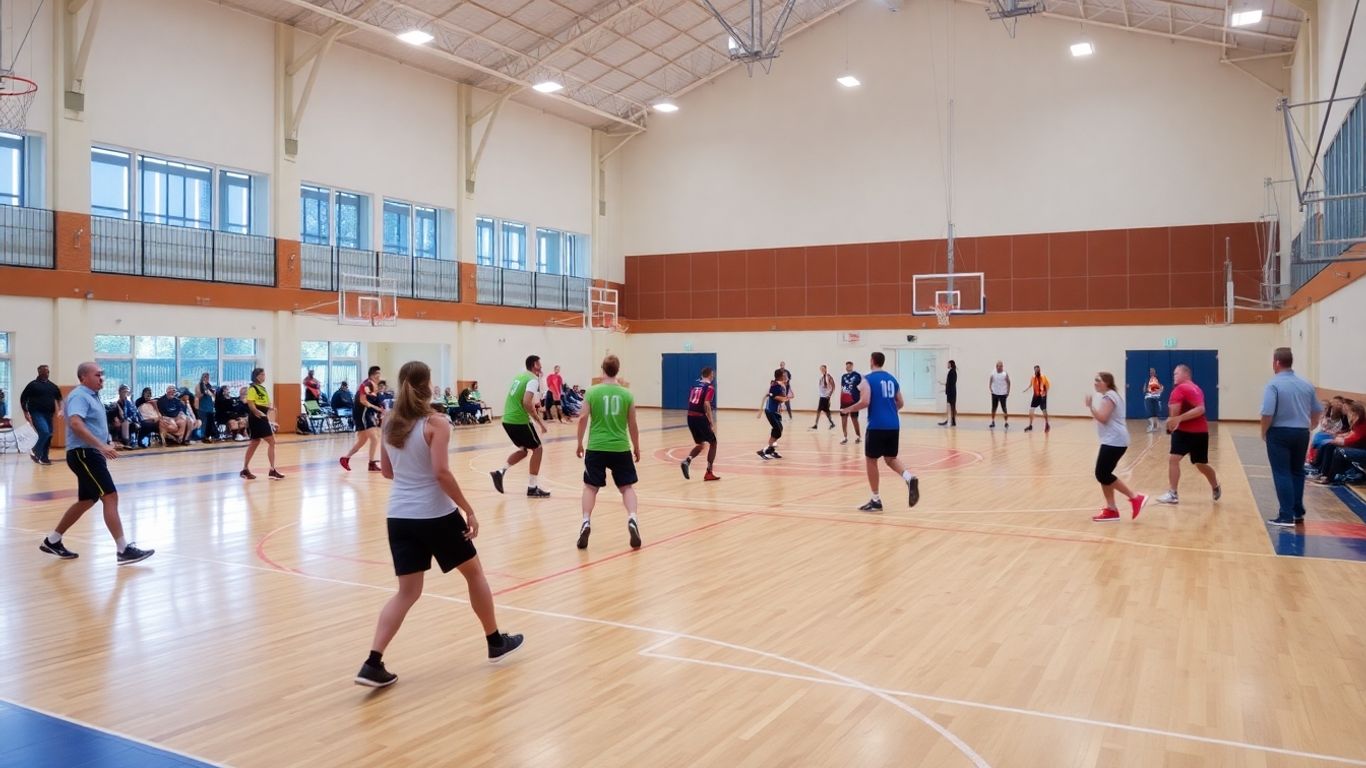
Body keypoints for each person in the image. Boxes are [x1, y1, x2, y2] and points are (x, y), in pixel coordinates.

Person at [354, 360, 523, 688]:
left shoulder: (389, 421)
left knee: (407, 592)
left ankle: (373, 662)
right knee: (474, 574)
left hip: (398, 517)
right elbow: (441, 473)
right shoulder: (437, 422)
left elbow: (388, 472)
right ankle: (494, 642)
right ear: (428, 385)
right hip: (435, 515)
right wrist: (468, 509)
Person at [37, 362, 154, 565]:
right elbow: (75, 423)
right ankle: (123, 550)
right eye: (97, 375)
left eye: (102, 375)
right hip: (85, 454)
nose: (102, 378)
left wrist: (105, 442)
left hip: (90, 453)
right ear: (83, 377)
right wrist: (101, 446)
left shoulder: (91, 396)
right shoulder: (80, 396)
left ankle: (52, 541)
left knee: (87, 500)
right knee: (110, 496)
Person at [574, 355, 642, 550]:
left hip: (596, 447)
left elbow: (582, 418)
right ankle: (632, 518)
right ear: (617, 370)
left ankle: (586, 521)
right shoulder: (627, 394)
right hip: (620, 447)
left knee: (590, 487)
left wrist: (579, 443)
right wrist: (636, 446)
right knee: (627, 487)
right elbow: (632, 424)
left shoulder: (592, 392)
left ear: (602, 369)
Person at [840, 351, 919, 512]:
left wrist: (847, 409)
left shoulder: (867, 379)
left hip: (876, 425)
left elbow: (865, 401)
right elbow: (901, 402)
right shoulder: (892, 379)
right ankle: (909, 478)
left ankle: (876, 499)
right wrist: (889, 411)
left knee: (871, 460)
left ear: (872, 361)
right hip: (893, 425)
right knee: (890, 459)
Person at [1259, 348, 1322, 527]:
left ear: (1276, 362)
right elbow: (1317, 409)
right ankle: (1297, 512)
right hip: (1301, 433)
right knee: (1297, 471)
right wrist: (1310, 426)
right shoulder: (1306, 384)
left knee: (1282, 472)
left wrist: (1264, 431)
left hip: (1279, 433)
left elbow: (1267, 412)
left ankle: (1285, 515)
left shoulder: (1273, 384)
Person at [1156, 364, 1220, 504]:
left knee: (1197, 463)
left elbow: (1200, 409)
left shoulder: (1181, 389)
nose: (1174, 376)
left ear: (1186, 374)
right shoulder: (1197, 388)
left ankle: (1213, 485)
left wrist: (1176, 420)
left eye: (1176, 373)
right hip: (1196, 432)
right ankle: (1175, 493)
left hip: (1190, 432)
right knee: (1182, 461)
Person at [1085, 372, 1146, 522]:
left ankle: (1135, 497)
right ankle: (1111, 509)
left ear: (1107, 382)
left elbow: (1103, 418)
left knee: (1102, 474)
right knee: (1103, 474)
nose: (1095, 383)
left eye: (1098, 380)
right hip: (1113, 440)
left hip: (1115, 441)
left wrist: (1090, 407)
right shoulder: (1111, 395)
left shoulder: (1109, 396)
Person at [491, 356, 550, 497]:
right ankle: (532, 487)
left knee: (524, 451)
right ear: (535, 364)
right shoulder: (532, 379)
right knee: (538, 449)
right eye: (540, 363)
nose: (541, 366)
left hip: (507, 420)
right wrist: (539, 422)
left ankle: (500, 472)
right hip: (518, 420)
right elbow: (526, 402)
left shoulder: (520, 376)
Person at [1308, 401, 1366, 486]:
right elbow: (1350, 435)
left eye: (1349, 412)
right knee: (1329, 445)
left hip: (1362, 451)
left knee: (1339, 451)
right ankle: (1322, 472)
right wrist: (1336, 439)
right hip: (1358, 447)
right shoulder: (1357, 423)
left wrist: (1337, 439)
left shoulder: (1362, 424)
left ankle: (1329, 478)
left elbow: (1352, 439)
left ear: (1355, 413)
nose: (1348, 414)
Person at [241, 368, 284, 481]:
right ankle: (272, 470)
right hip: (257, 418)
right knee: (271, 441)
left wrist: (269, 409)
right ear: (257, 376)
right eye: (262, 374)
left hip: (262, 416)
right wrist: (260, 414)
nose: (264, 376)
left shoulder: (262, 388)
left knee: (255, 442)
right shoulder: (252, 388)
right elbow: (251, 405)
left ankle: (245, 469)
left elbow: (263, 403)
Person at [342, 366, 384, 472]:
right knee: (374, 438)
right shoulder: (367, 384)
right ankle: (371, 464)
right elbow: (363, 401)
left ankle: (345, 458)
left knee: (362, 440)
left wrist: (381, 410)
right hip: (362, 414)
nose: (380, 375)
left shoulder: (375, 387)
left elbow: (377, 402)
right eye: (378, 373)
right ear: (373, 375)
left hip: (367, 414)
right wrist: (376, 408)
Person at [682, 366, 720, 481]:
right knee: (713, 443)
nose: (713, 376)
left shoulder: (695, 385)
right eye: (713, 374)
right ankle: (709, 472)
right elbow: (706, 404)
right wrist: (710, 421)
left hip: (690, 416)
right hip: (700, 417)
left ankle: (687, 461)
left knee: (700, 444)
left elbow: (691, 400)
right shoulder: (709, 387)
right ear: (709, 375)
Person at [20, 364, 63, 465]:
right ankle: (35, 451)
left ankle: (44, 458)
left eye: (47, 372)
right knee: (44, 432)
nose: (46, 373)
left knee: (49, 435)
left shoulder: (52, 386)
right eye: (43, 372)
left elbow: (59, 398)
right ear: (39, 372)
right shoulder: (32, 385)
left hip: (49, 414)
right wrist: (25, 412)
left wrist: (61, 409)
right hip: (36, 413)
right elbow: (23, 399)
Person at [757, 370, 790, 460]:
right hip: (770, 411)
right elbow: (773, 396)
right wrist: (783, 399)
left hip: (776, 412)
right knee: (778, 430)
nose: (786, 376)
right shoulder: (775, 385)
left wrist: (783, 401)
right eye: (785, 375)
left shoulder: (782, 385)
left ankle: (771, 450)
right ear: (781, 376)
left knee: (779, 430)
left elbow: (780, 398)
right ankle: (763, 451)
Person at [839, 361, 863, 445]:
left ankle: (858, 436)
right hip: (844, 401)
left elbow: (862, 387)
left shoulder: (857, 375)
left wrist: (860, 399)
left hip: (854, 400)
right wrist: (840, 399)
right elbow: (842, 388)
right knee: (843, 418)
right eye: (846, 366)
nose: (847, 367)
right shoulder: (843, 376)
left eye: (849, 366)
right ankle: (845, 437)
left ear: (852, 366)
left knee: (854, 418)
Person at [1023, 365, 1050, 432]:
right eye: (1036, 370)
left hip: (1042, 396)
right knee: (1031, 409)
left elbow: (1047, 385)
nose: (1037, 371)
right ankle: (1030, 425)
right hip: (1035, 396)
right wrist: (1026, 389)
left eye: (1038, 370)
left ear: (1039, 370)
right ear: (1034, 370)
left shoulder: (1043, 377)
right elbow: (1030, 385)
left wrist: (1045, 393)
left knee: (1044, 410)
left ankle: (1047, 424)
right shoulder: (1033, 377)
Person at [811, 365, 835, 430]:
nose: (822, 370)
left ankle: (832, 423)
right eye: (821, 369)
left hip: (826, 397)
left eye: (823, 369)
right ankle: (816, 424)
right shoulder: (821, 377)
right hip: (822, 396)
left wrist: (829, 395)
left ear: (826, 369)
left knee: (826, 411)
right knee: (819, 410)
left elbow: (833, 386)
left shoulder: (828, 376)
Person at [988, 361, 1010, 429]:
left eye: (1001, 366)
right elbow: (990, 380)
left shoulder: (1005, 374)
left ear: (1002, 367)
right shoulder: (993, 373)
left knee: (1004, 408)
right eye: (998, 366)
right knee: (993, 408)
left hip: (1003, 394)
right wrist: (990, 388)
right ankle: (992, 421)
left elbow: (1009, 382)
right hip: (995, 393)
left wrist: (1008, 391)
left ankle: (1006, 422)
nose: (999, 367)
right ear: (996, 366)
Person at [937, 359, 958, 427]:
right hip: (951, 392)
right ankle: (952, 420)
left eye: (948, 364)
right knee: (951, 407)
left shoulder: (952, 372)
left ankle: (951, 420)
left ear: (951, 364)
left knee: (951, 407)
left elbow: (951, 383)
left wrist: (946, 389)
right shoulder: (952, 372)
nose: (947, 365)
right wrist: (944, 385)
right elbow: (949, 383)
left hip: (951, 393)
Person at [197, 372, 217, 443]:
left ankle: (209, 436)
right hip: (203, 408)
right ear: (203, 378)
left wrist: (211, 392)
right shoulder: (199, 386)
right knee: (204, 423)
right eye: (205, 377)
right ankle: (203, 437)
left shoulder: (209, 386)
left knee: (210, 423)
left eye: (208, 377)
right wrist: (204, 391)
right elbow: (198, 396)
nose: (207, 379)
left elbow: (213, 396)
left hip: (210, 407)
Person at [1143, 367, 1164, 433]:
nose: (1151, 372)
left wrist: (1159, 391)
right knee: (1150, 413)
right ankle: (1152, 426)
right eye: (1150, 371)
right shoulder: (1148, 380)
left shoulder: (1157, 380)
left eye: (1153, 371)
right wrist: (1147, 391)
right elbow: (1144, 389)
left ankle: (1155, 426)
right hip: (1148, 398)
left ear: (1155, 372)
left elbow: (1161, 388)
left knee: (1155, 413)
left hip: (1155, 398)